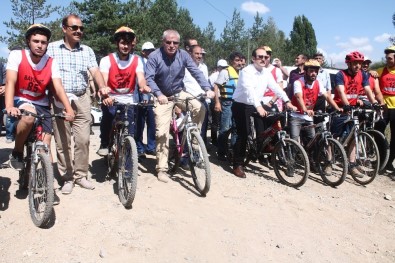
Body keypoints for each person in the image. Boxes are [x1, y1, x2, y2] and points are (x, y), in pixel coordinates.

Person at [47, 14, 109, 194]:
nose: (79, 31)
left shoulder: (87, 51)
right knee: (62, 141)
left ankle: (80, 175)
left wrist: (102, 86)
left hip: (82, 98)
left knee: (83, 139)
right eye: (74, 28)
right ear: (64, 29)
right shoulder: (51, 49)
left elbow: (95, 71)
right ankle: (67, 177)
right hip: (59, 98)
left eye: (81, 28)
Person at [145, 29, 214, 183]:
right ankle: (162, 169)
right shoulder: (154, 56)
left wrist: (207, 88)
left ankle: (194, 142)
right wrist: (158, 94)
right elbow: (149, 78)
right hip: (161, 95)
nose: (171, 45)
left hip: (178, 92)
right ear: (163, 42)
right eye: (168, 42)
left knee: (199, 107)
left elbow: (196, 72)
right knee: (161, 133)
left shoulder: (183, 55)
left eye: (175, 42)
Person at [5, 24, 75, 171]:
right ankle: (17, 152)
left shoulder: (51, 62)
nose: (39, 45)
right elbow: (10, 82)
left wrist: (69, 110)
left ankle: (42, 183)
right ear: (28, 42)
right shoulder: (17, 55)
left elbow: (58, 87)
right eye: (36, 41)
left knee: (45, 145)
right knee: (29, 117)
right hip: (21, 99)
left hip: (42, 104)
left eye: (43, 42)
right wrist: (10, 106)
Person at [231, 47, 296, 178]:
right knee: (244, 133)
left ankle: (258, 151)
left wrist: (287, 101)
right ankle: (238, 164)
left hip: (256, 103)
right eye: (260, 57)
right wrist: (258, 107)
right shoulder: (246, 71)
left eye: (265, 57)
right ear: (253, 58)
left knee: (264, 129)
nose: (263, 59)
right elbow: (249, 90)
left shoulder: (266, 72)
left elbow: (276, 88)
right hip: (241, 104)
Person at [97, 26, 150, 159]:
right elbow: (103, 79)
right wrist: (105, 93)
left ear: (132, 44)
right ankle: (104, 143)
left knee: (130, 131)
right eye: (122, 43)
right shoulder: (106, 60)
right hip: (111, 96)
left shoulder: (137, 60)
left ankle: (126, 168)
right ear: (117, 43)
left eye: (128, 43)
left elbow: (141, 78)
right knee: (109, 115)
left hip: (129, 99)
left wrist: (143, 87)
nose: (125, 46)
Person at [331, 51, 378, 178]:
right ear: (349, 63)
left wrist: (374, 103)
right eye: (355, 63)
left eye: (360, 63)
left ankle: (352, 165)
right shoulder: (340, 75)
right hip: (340, 108)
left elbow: (368, 90)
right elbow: (341, 92)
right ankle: (328, 163)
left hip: (353, 108)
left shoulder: (362, 74)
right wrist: (346, 105)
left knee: (353, 137)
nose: (358, 66)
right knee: (333, 136)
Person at [289, 59, 341, 147]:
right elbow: (299, 97)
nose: (314, 73)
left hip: (308, 116)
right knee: (294, 140)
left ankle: (308, 159)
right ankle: (291, 159)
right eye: (311, 71)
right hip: (296, 115)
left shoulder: (318, 83)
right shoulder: (298, 82)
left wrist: (337, 108)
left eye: (316, 71)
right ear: (305, 71)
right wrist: (305, 110)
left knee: (312, 141)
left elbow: (327, 96)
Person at [213, 52, 244, 161]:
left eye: (240, 60)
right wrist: (217, 102)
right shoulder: (225, 72)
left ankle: (233, 151)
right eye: (236, 60)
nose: (239, 63)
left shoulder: (242, 73)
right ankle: (221, 152)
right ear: (231, 62)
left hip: (238, 104)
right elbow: (216, 87)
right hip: (227, 103)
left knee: (236, 129)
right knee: (225, 128)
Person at [374, 45, 395, 172]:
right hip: (384, 108)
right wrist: (371, 73)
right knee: (378, 133)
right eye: (386, 58)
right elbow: (370, 79)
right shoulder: (381, 71)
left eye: (390, 58)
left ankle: (389, 162)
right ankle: (381, 160)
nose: (387, 60)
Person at [135, 41, 156, 159]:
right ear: (143, 52)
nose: (151, 52)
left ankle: (151, 146)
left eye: (152, 50)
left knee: (152, 123)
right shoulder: (139, 61)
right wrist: (143, 96)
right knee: (140, 123)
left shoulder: (155, 62)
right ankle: (139, 147)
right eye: (148, 50)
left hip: (153, 97)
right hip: (141, 97)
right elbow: (139, 81)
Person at [208, 59, 228, 146]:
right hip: (216, 99)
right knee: (215, 121)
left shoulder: (226, 74)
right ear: (218, 67)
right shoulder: (213, 76)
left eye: (225, 67)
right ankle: (214, 139)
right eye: (222, 67)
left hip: (224, 99)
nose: (224, 68)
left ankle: (220, 139)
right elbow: (212, 88)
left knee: (222, 121)